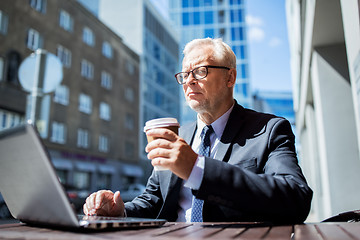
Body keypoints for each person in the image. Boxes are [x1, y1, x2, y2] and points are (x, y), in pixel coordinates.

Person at [83, 38, 313, 223]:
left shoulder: (269, 130)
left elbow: (296, 198)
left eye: (201, 71)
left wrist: (197, 168)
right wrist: (121, 211)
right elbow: (154, 200)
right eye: (184, 75)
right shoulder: (178, 136)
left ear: (230, 77)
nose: (189, 81)